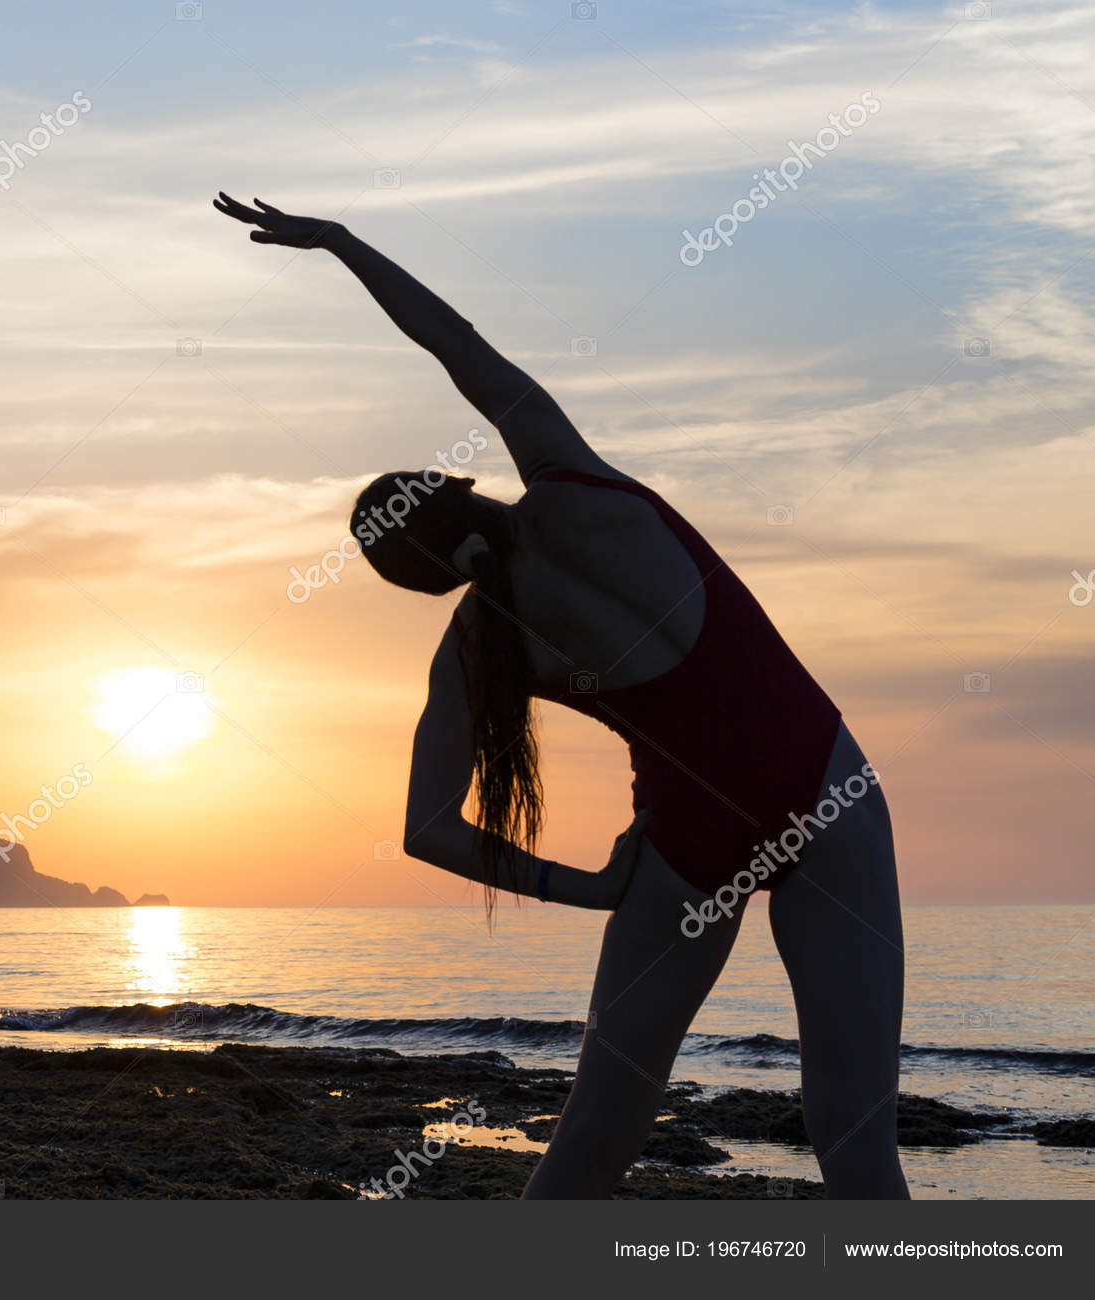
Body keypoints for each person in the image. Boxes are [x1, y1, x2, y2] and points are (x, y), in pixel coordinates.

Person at [215, 194, 909, 1199]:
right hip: (826, 791)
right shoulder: (569, 479)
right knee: (854, 1143)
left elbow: (425, 829)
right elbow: (455, 343)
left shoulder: (475, 650)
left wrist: (585, 885)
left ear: (427, 580)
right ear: (452, 489)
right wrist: (341, 244)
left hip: (683, 852)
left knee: (594, 1137)